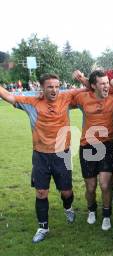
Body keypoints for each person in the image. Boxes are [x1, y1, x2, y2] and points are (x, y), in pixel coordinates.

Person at [0, 74, 87, 243]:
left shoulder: (67, 96)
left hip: (62, 154)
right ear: (42, 88)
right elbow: (7, 95)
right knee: (41, 192)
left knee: (66, 192)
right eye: (50, 87)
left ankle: (68, 207)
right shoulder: (31, 102)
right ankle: (43, 227)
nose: (54, 90)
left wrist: (83, 80)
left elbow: (90, 88)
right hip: (40, 155)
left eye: (56, 86)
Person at [71, 70, 113, 231]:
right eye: (102, 83)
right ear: (93, 86)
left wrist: (83, 78)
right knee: (90, 187)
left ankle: (106, 215)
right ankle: (91, 210)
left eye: (107, 83)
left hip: (107, 145)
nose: (106, 86)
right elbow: (62, 101)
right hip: (87, 146)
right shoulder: (82, 97)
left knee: (105, 185)